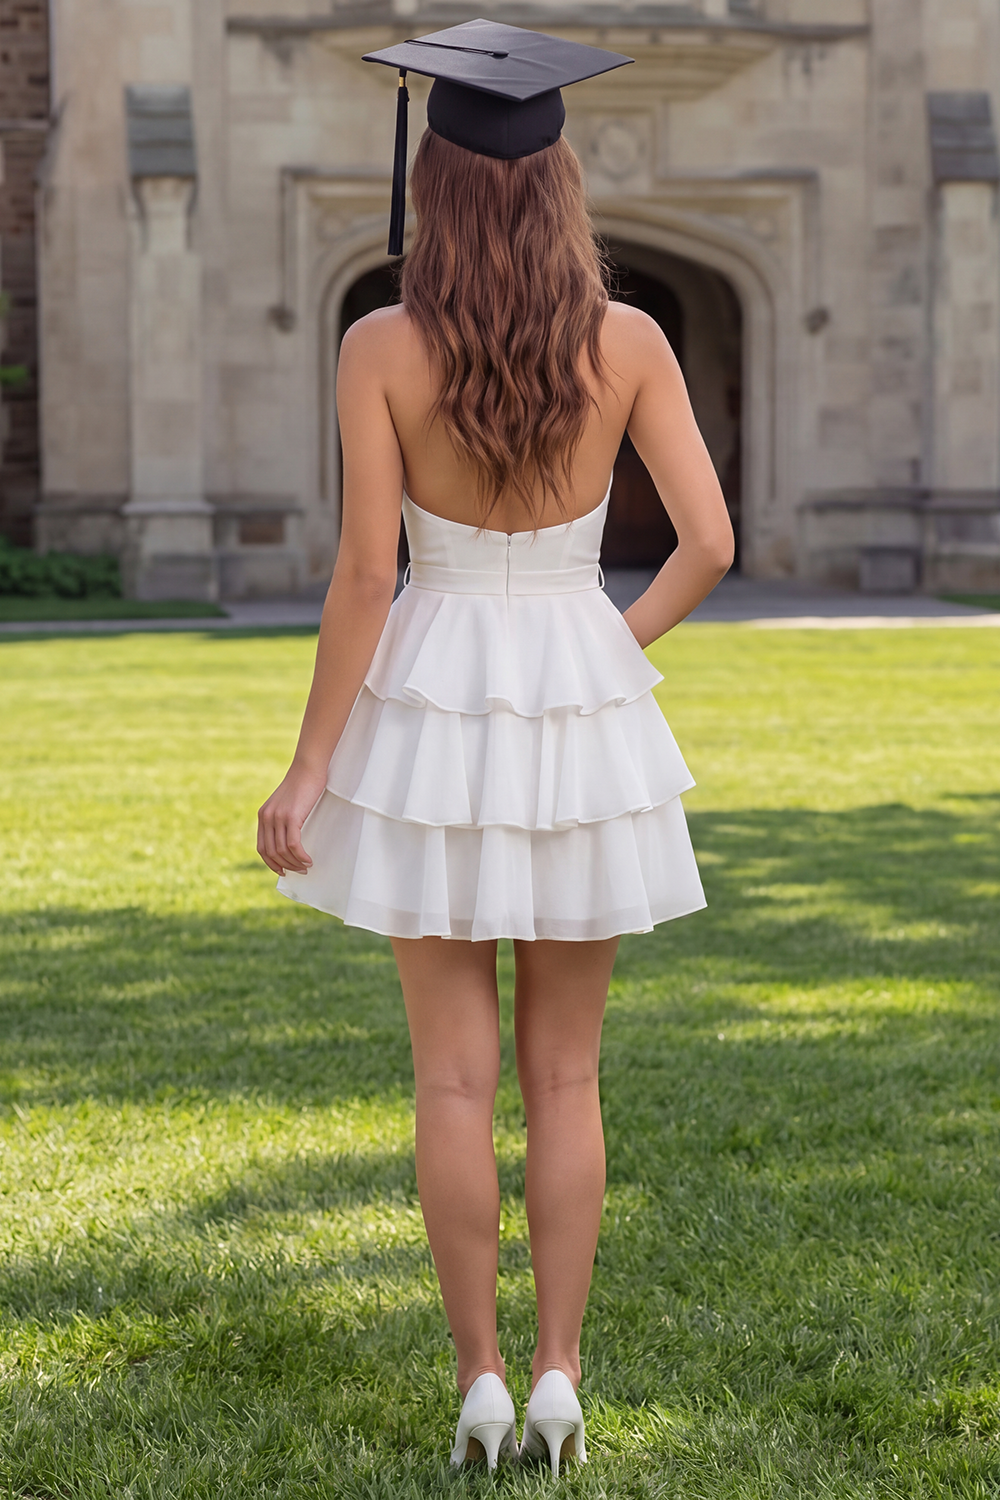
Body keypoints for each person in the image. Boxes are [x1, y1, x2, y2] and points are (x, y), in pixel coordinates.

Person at [257, 19, 733, 1477]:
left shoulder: (380, 345)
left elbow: (360, 579)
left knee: (451, 1080)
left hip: (433, 702)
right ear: (559, 188)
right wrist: (601, 653)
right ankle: (559, 1376)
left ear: (440, 195)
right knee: (566, 1079)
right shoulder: (633, 341)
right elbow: (709, 545)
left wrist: (309, 766)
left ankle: (474, 1379)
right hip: (572, 709)